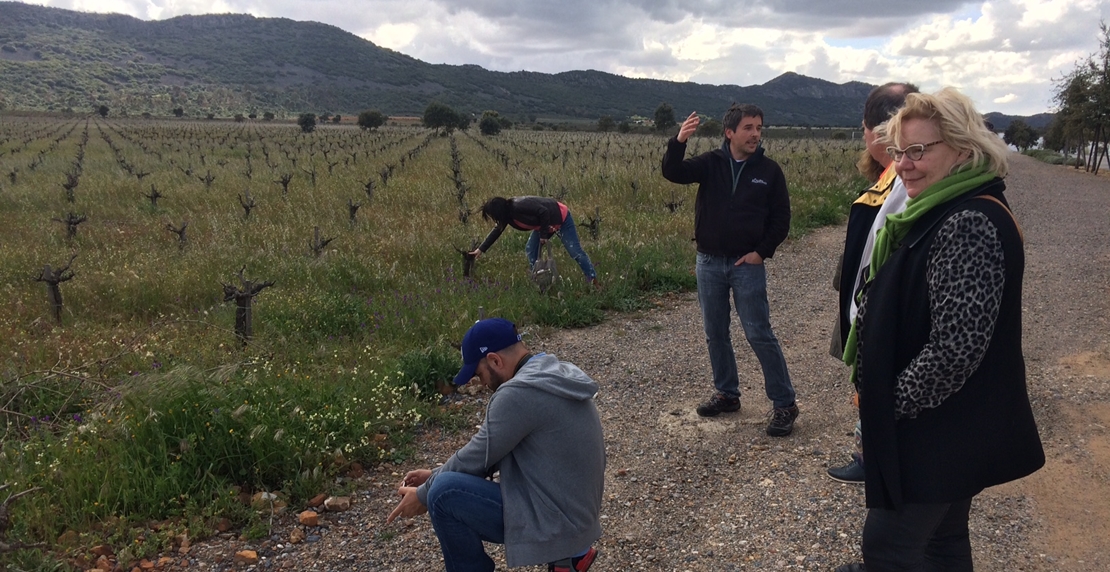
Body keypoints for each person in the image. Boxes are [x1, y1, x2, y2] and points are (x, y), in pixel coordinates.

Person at [834, 88, 1044, 572]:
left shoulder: (968, 220)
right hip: (949, 434)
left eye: (920, 151)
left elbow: (954, 350)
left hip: (935, 434)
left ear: (963, 150)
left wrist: (887, 405)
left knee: (887, 550)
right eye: (902, 151)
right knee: (943, 543)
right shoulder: (945, 207)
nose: (905, 164)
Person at [386, 318, 605, 572]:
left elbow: (477, 458)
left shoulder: (519, 393)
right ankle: (572, 558)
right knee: (441, 484)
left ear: (495, 360)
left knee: (443, 494)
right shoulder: (550, 372)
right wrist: (432, 476)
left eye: (479, 374)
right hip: (575, 517)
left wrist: (423, 494)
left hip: (559, 523)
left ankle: (567, 558)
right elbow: (488, 451)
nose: (480, 384)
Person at [661, 103, 799, 437]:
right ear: (730, 133)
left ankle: (784, 403)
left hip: (746, 264)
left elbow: (781, 218)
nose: (755, 134)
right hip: (708, 262)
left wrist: (761, 252)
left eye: (759, 128)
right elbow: (673, 172)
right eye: (748, 128)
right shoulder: (711, 163)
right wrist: (678, 141)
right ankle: (727, 393)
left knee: (758, 333)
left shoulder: (769, 171)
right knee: (715, 332)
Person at [827, 82, 919, 485]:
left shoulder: (899, 182)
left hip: (876, 309)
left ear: (872, 129)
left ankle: (872, 456)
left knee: (872, 377)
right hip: (871, 306)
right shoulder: (893, 176)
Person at [469, 196, 597, 283]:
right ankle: (540, 281)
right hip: (544, 225)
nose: (494, 219)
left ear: (499, 212)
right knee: (531, 249)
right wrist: (481, 249)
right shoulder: (507, 216)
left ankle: (593, 281)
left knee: (575, 251)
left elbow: (544, 212)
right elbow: (497, 230)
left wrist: (543, 235)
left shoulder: (518, 206)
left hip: (560, 218)